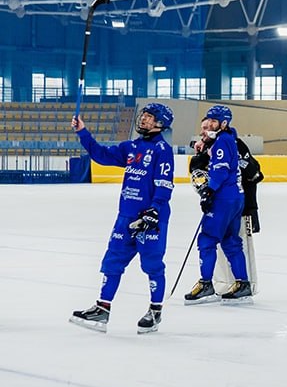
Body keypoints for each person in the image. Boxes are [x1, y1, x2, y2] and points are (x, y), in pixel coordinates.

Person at [69, 103, 175, 334]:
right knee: (112, 261)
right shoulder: (131, 146)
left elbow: (164, 184)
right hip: (126, 216)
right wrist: (82, 132)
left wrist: (154, 210)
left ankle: (155, 311)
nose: (143, 119)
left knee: (152, 265)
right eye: (143, 115)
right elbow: (101, 155)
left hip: (150, 220)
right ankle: (102, 308)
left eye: (149, 117)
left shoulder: (162, 150)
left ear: (160, 123)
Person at [183, 105, 253, 304]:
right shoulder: (228, 138)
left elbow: (221, 170)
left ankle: (206, 284)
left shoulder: (222, 141)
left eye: (214, 121)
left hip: (223, 198)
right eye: (209, 120)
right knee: (230, 241)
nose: (210, 124)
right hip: (236, 197)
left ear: (224, 123)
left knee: (207, 240)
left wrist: (209, 191)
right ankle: (243, 284)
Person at [189, 123, 264, 294]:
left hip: (238, 206)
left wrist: (252, 209)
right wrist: (201, 154)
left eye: (207, 127)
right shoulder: (211, 147)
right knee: (227, 245)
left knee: (236, 244)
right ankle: (228, 284)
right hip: (224, 204)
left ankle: (246, 285)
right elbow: (197, 173)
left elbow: (254, 174)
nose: (203, 131)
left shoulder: (232, 145)